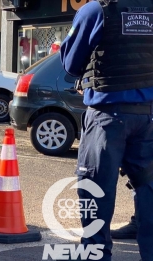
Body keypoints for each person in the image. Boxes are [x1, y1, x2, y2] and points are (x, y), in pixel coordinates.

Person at [60, 0, 153, 260]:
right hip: (148, 117)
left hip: (106, 118)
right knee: (148, 189)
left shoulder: (96, 10)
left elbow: (70, 63)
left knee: (95, 191)